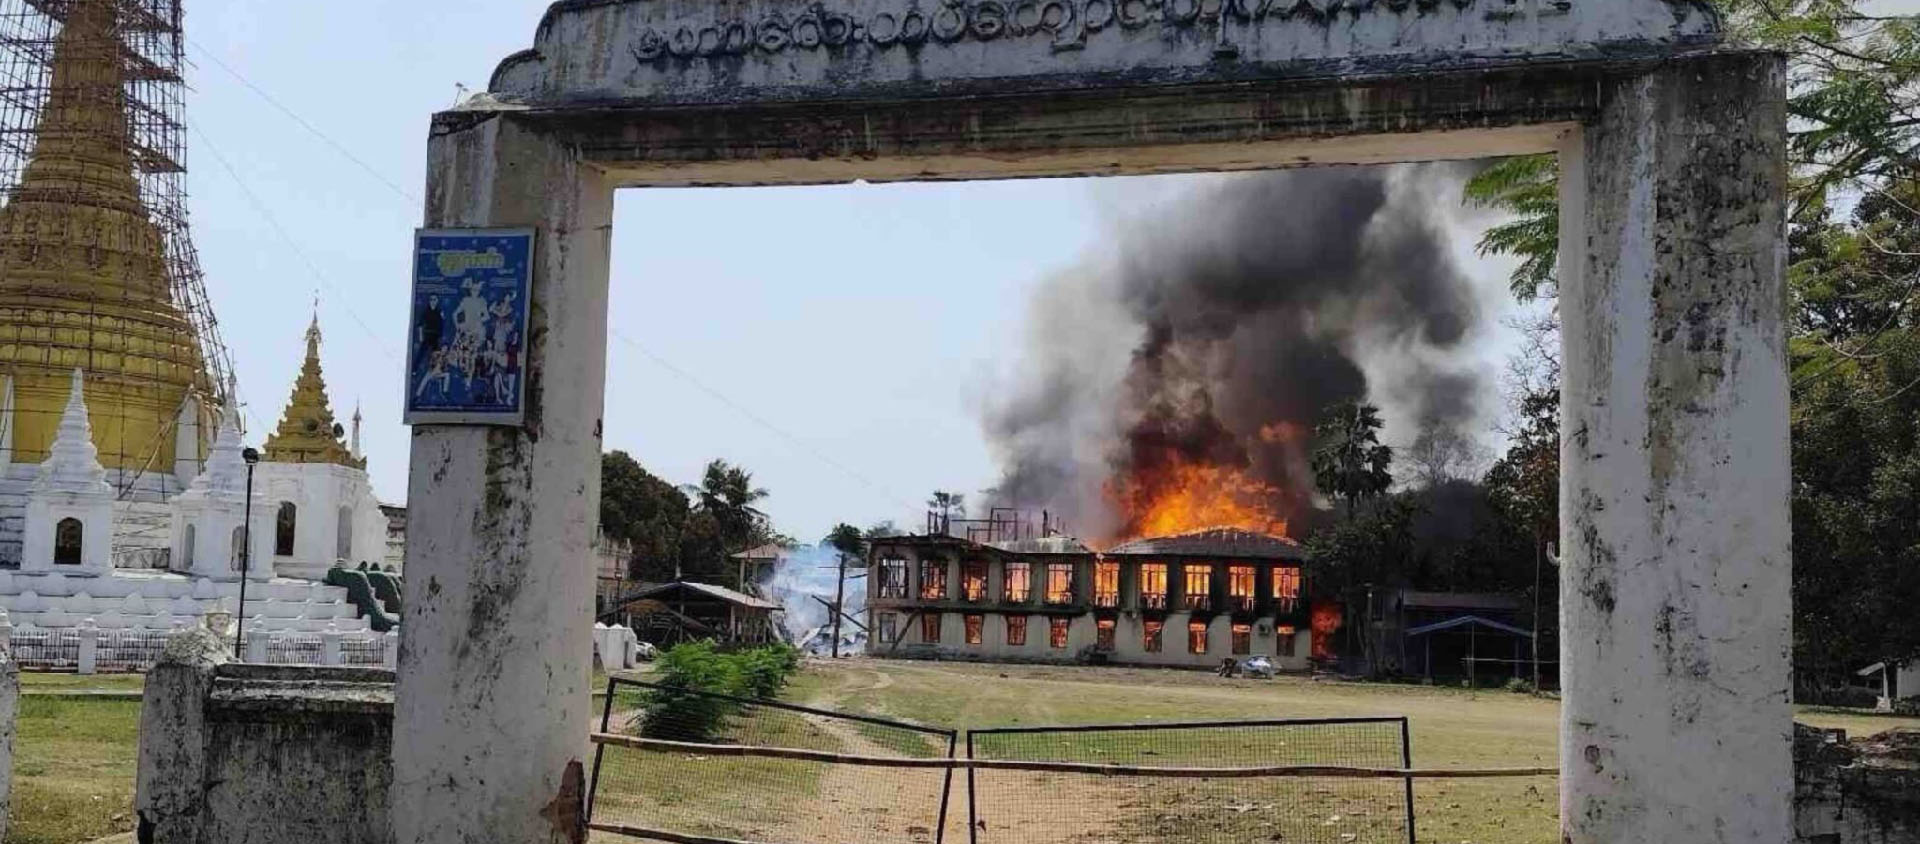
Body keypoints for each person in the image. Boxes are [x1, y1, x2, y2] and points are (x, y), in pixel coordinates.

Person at [414, 294, 444, 367]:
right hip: (427, 335)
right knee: (421, 353)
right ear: (429, 301)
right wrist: (421, 336)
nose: (433, 301)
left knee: (436, 354)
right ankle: (414, 369)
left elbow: (442, 324)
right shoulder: (425, 311)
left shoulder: (439, 311)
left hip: (436, 336)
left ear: (437, 301)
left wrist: (440, 335)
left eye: (434, 299)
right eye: (431, 299)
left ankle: (435, 369)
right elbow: (420, 324)